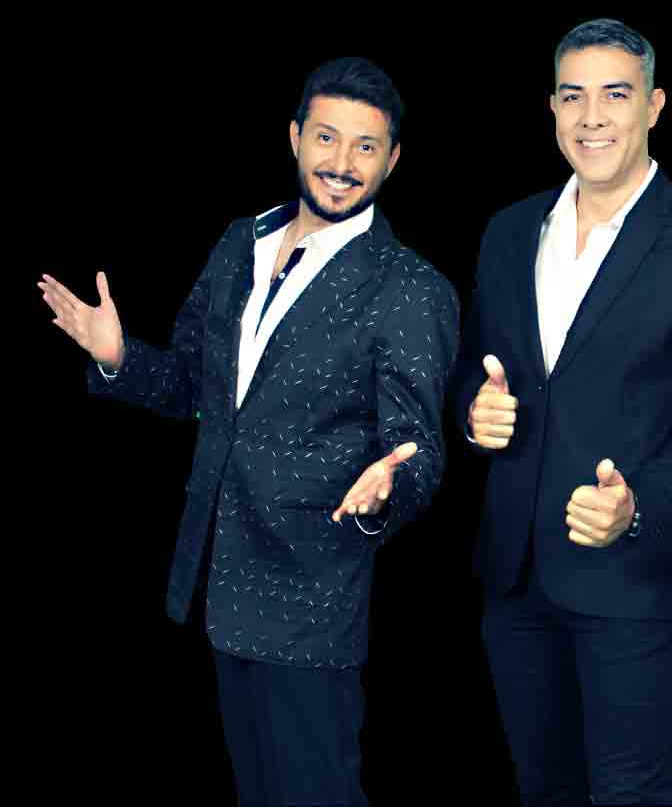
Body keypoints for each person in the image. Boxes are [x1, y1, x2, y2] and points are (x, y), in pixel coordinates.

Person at [38, 57, 458, 806]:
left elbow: (419, 450)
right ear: (295, 137)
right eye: (326, 137)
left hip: (311, 595)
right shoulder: (242, 242)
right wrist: (119, 357)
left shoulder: (409, 288)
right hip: (221, 580)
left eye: (365, 146)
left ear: (392, 159)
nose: (342, 162)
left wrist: (389, 486)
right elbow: (193, 391)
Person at [454, 18, 672, 805]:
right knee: (541, 788)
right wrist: (472, 414)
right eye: (573, 96)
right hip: (514, 574)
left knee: (629, 795)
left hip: (635, 582)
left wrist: (637, 506)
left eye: (615, 95)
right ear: (553, 108)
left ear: (653, 106)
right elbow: (473, 373)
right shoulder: (508, 230)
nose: (591, 117)